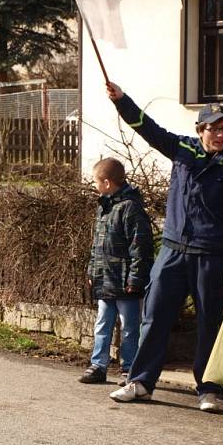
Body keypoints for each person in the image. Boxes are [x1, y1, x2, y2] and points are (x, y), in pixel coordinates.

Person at [106, 82, 223, 411]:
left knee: (209, 321)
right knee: (155, 315)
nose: (219, 136)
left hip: (212, 254)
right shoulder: (183, 149)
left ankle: (208, 390)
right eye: (213, 130)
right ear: (200, 130)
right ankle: (141, 382)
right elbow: (148, 129)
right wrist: (122, 101)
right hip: (173, 251)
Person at [80, 157, 153, 385]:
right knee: (103, 323)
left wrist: (135, 278)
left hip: (125, 281)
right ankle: (98, 365)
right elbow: (97, 244)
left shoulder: (131, 208)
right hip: (105, 279)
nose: (94, 185)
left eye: (96, 181)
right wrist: (93, 271)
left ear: (108, 183)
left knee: (130, 326)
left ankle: (129, 368)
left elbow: (140, 247)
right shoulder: (104, 206)